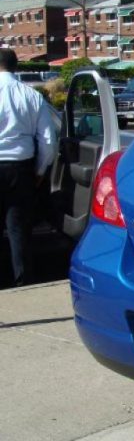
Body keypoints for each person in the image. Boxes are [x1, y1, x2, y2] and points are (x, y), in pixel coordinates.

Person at [0, 48, 55, 286]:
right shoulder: (31, 96)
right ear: (16, 67)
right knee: (18, 230)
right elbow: (49, 142)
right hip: (20, 168)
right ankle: (22, 284)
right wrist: (40, 172)